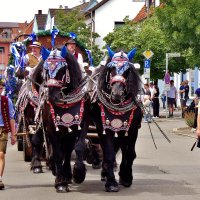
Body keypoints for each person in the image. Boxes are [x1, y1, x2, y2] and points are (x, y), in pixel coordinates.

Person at [0, 80, 16, 190]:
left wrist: (13, 134)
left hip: (3, 129)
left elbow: (11, 118)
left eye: (0, 88)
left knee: (1, 154)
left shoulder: (7, 100)